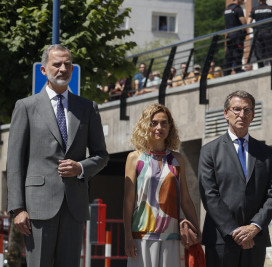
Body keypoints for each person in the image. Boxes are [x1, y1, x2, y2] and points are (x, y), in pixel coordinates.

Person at [7, 44, 109, 266]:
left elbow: (102, 155)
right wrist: (18, 208)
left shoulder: (88, 108)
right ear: (44, 70)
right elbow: (14, 162)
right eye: (57, 64)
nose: (63, 68)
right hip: (36, 208)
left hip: (74, 206)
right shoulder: (26, 107)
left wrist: (80, 168)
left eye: (68, 64)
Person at [198, 90, 272, 267]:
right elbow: (210, 196)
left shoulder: (266, 153)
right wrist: (235, 231)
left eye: (247, 110)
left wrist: (254, 227)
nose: (242, 114)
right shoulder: (209, 151)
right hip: (221, 239)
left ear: (253, 115)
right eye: (236, 109)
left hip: (255, 240)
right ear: (226, 113)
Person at [123, 103, 201, 267]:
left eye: (164, 123)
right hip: (141, 235)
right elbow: (128, 201)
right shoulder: (134, 158)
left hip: (170, 235)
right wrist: (128, 237)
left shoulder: (177, 159)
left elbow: (185, 199)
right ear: (146, 125)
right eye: (154, 123)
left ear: (170, 126)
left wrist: (197, 230)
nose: (159, 127)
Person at [247, 0, 272, 68]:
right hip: (268, 32)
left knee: (259, 53)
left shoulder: (254, 9)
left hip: (258, 33)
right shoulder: (271, 8)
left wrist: (255, 28)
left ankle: (261, 68)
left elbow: (248, 23)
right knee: (271, 52)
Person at [224, 0, 247, 76]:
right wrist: (245, 32)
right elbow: (243, 22)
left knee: (229, 54)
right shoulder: (238, 9)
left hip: (229, 35)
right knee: (237, 53)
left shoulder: (227, 9)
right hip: (237, 35)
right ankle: (238, 70)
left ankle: (226, 72)